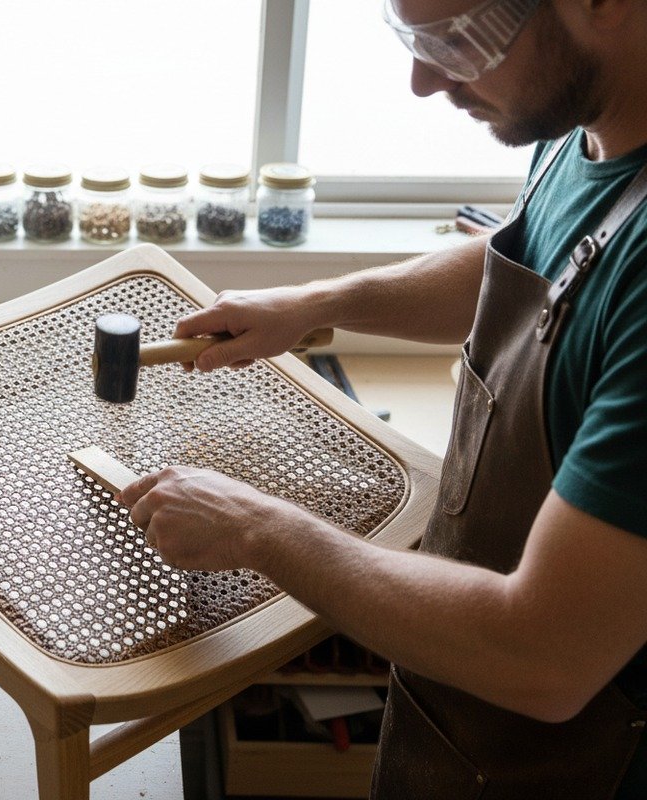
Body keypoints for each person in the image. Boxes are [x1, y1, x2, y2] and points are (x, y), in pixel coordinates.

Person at [116, 0, 647, 796]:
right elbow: (533, 268)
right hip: (471, 714)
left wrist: (259, 527)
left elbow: (546, 656)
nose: (423, 80)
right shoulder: (589, 123)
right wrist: (321, 303)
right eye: (411, 38)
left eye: (459, 38)